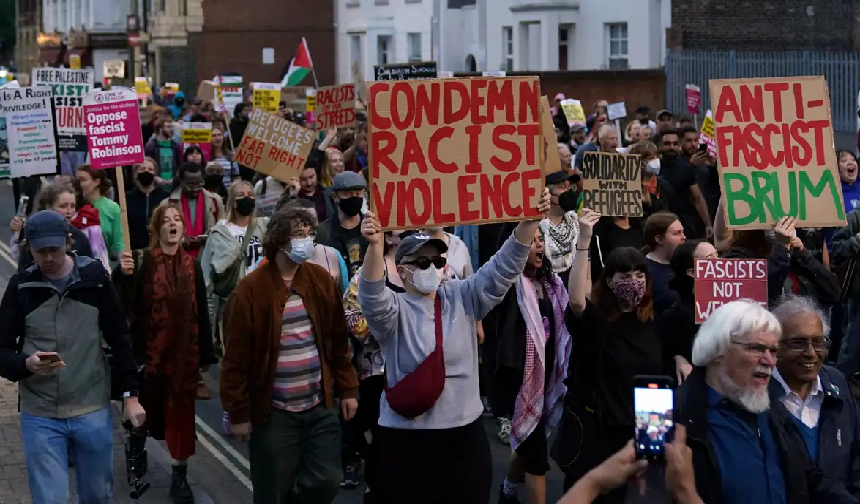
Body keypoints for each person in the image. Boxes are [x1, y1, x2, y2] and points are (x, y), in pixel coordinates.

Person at [356, 189, 552, 504]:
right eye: (422, 261)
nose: (432, 266)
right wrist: (376, 247)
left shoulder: (463, 296)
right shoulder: (392, 311)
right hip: (404, 443)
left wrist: (529, 223)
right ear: (402, 271)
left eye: (437, 259)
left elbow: (503, 267)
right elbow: (371, 295)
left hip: (463, 440)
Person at [0, 210, 144, 504]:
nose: (48, 258)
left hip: (91, 408)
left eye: (54, 249)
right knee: (49, 500)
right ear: (30, 248)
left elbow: (120, 338)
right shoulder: (21, 287)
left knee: (95, 496)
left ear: (68, 241)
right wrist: (25, 365)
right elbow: (1, 350)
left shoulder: (96, 279)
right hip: (40, 414)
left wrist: (131, 396)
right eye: (40, 252)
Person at [220, 208, 359, 504]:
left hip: (319, 405)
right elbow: (235, 359)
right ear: (280, 240)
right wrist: (239, 413)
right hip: (274, 413)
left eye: (310, 234)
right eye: (298, 235)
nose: (307, 241)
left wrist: (348, 389)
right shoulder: (249, 291)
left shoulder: (320, 280)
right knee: (272, 491)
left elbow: (337, 340)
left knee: (327, 479)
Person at [675, 300, 859, 504]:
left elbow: (812, 480)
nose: (770, 361)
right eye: (756, 349)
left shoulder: (772, 413)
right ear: (717, 350)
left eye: (773, 351)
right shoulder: (675, 419)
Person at [554, 209, 663, 501]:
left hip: (640, 433)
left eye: (640, 274)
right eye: (625, 275)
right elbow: (577, 299)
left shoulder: (655, 322)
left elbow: (659, 383)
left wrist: (654, 442)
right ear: (610, 281)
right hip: (597, 434)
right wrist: (584, 241)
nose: (634, 281)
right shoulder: (597, 321)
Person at [114, 204, 216, 504]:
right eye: (166, 221)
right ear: (157, 229)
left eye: (178, 220)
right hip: (147, 359)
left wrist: (206, 354)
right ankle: (136, 456)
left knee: (181, 420)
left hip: (183, 359)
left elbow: (202, 312)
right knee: (141, 416)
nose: (173, 224)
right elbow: (122, 306)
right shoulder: (143, 260)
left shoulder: (192, 266)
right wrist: (123, 275)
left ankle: (179, 477)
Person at [494, 226, 572, 504]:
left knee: (527, 445)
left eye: (541, 240)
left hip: (546, 374)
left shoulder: (552, 283)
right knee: (537, 456)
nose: (538, 246)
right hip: (518, 379)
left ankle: (508, 490)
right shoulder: (506, 283)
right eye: (531, 241)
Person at [770, 295, 860, 497]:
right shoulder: (757, 395)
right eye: (798, 343)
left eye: (818, 342)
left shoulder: (836, 383)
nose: (811, 353)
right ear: (775, 347)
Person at [341, 230, 404, 496]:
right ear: (389, 237)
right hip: (377, 370)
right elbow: (351, 311)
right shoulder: (366, 273)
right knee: (383, 435)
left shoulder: (423, 269)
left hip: (414, 368)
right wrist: (384, 329)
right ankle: (376, 487)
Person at [200, 180, 268, 358]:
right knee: (234, 358)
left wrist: (291, 192)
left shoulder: (263, 227)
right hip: (231, 304)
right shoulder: (219, 233)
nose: (246, 199)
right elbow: (206, 279)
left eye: (250, 196)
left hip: (261, 302)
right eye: (241, 196)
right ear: (232, 201)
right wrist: (208, 323)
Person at [658, 240, 719, 384]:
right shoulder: (674, 316)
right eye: (710, 259)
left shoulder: (730, 306)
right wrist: (676, 356)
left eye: (718, 255)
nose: (719, 262)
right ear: (692, 272)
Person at [10, 181, 94, 272]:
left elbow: (90, 270)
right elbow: (23, 271)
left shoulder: (80, 237)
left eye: (73, 206)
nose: (69, 211)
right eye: (63, 206)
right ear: (49, 207)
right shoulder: (33, 234)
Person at [656, 130, 712, 240]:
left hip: (685, 223)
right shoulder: (654, 168)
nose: (672, 147)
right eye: (667, 144)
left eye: (675, 143)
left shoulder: (686, 167)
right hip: (660, 223)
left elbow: (698, 198)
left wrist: (708, 224)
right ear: (660, 146)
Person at [165, 162, 224, 258]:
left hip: (207, 257)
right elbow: (163, 235)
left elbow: (223, 231)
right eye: (190, 184)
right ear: (181, 181)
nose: (195, 188)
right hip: (178, 257)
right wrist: (182, 241)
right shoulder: (168, 203)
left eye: (199, 184)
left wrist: (209, 237)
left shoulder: (215, 200)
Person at [317, 171, 368, 277]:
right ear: (335, 197)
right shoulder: (322, 233)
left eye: (358, 193)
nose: (354, 198)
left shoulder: (372, 228)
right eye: (347, 194)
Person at [540, 170, 581, 283]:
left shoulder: (576, 223)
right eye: (562, 187)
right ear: (547, 191)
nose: (568, 191)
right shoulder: (536, 227)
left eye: (569, 187)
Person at [76, 164, 124, 258]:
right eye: (77, 180)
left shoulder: (112, 207)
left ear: (96, 182)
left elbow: (119, 241)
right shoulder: (74, 205)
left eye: (83, 180)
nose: (79, 184)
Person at [643, 212, 686, 314]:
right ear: (659, 239)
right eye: (676, 233)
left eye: (683, 232)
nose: (683, 237)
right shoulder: (643, 269)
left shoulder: (686, 264)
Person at [126, 157, 170, 250]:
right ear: (135, 174)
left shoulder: (165, 197)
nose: (146, 172)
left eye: (150, 169)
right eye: (142, 169)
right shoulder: (127, 198)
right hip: (134, 250)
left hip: (160, 249)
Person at [145, 117, 183, 184]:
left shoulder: (176, 146)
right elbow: (146, 165)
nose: (171, 129)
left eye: (172, 127)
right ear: (160, 129)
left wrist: (175, 179)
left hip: (173, 184)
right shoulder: (151, 146)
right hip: (156, 184)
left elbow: (180, 166)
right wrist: (155, 177)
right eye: (168, 127)